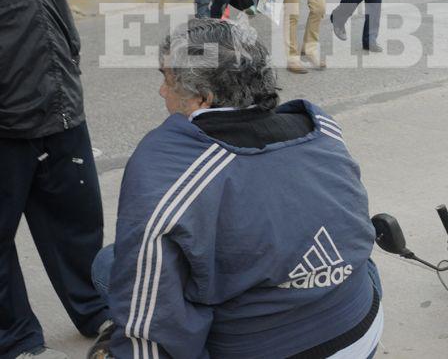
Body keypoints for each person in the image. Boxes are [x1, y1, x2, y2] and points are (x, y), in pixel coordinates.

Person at [87, 18, 383, 359]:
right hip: (361, 328)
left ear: (203, 97)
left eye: (166, 79)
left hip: (271, 346)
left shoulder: (166, 165)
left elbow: (152, 319)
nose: (161, 91)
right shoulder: (322, 128)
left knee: (109, 264)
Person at [0, 0, 108, 359]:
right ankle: (15, 336)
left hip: (55, 88)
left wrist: (69, 49)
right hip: (6, 107)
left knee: (76, 217)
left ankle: (95, 310)